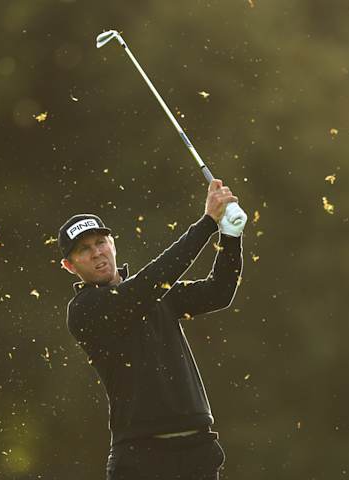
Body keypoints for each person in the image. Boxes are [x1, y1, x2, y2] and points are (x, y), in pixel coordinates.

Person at [58, 179, 246, 479]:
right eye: (83, 249)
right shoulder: (85, 309)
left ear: (112, 244)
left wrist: (231, 236)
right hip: (142, 458)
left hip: (197, 450)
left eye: (100, 243)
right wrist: (207, 223)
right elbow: (145, 288)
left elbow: (219, 292)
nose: (96, 253)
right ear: (70, 266)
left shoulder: (157, 294)